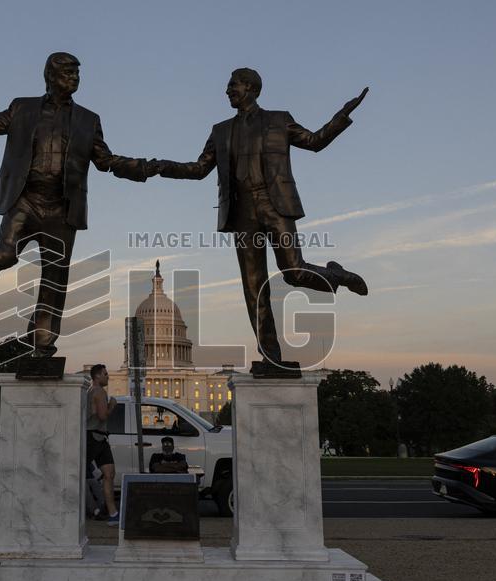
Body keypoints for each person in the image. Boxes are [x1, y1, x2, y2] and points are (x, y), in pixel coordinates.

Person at [0, 53, 157, 358]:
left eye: (78, 73)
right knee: (5, 253)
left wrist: (143, 167)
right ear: (50, 76)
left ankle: (41, 344)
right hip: (25, 200)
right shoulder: (22, 108)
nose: (75, 78)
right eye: (68, 73)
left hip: (62, 210)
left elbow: (106, 161)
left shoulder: (88, 120)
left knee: (54, 279)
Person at [156, 69, 369, 367]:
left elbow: (315, 141)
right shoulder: (220, 131)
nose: (227, 90)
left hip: (275, 205)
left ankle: (337, 276)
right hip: (242, 213)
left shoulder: (279, 120)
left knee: (293, 271)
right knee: (254, 287)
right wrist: (160, 166)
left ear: (251, 88)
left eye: (233, 85)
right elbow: (198, 169)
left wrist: (342, 116)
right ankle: (272, 356)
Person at [86, 363, 120, 525]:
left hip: (99, 437)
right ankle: (96, 509)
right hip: (93, 437)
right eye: (105, 374)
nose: (108, 377)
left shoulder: (92, 391)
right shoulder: (99, 392)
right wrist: (112, 405)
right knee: (83, 475)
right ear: (97, 376)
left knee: (109, 473)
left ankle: (112, 513)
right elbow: (102, 416)